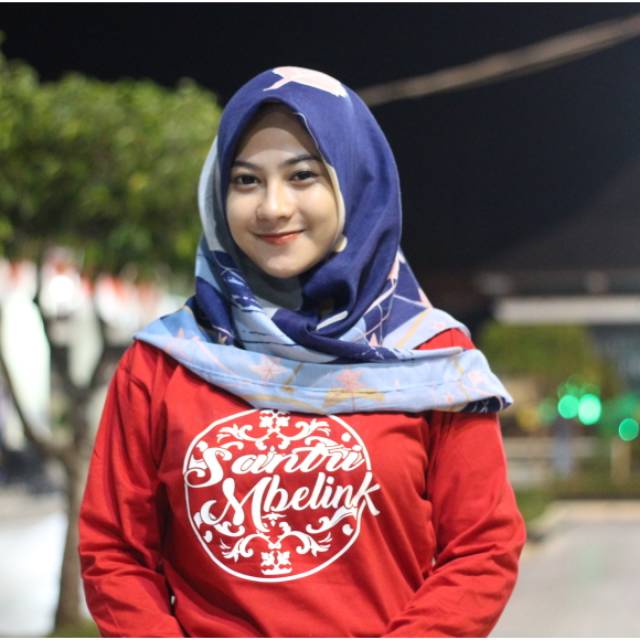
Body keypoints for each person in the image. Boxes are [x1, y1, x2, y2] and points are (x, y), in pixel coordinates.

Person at [79, 66, 526, 638]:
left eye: (302, 176)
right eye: (246, 180)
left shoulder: (433, 359)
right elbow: (115, 551)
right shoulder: (164, 361)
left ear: (356, 184)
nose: (272, 207)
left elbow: (483, 548)